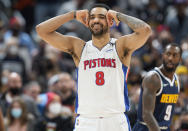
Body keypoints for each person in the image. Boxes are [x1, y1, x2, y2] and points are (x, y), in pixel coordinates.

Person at [36, 3, 151, 131]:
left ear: (110, 20)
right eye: (92, 17)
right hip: (87, 121)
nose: (96, 20)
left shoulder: (120, 46)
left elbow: (145, 30)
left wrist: (119, 15)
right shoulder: (80, 48)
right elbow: (41, 30)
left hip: (115, 120)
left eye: (102, 16)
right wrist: (72, 15)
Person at [133, 44, 182, 131]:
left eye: (174, 55)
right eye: (168, 54)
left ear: (180, 59)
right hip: (146, 128)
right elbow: (147, 115)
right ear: (163, 55)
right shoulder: (153, 78)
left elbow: (169, 112)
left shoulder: (176, 79)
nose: (170, 58)